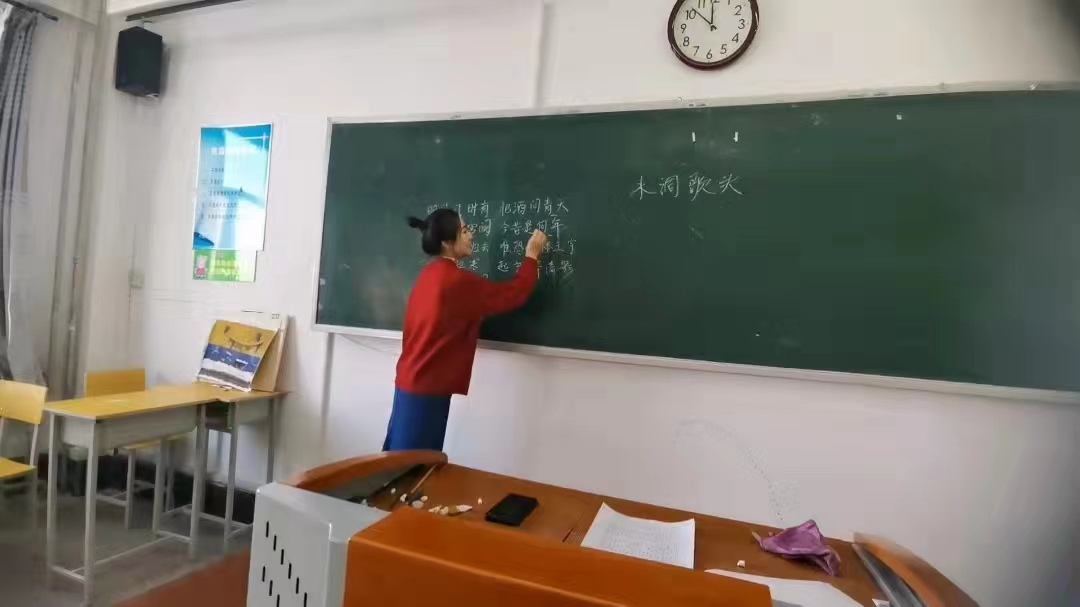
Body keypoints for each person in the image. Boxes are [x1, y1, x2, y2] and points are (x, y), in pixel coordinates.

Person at [384, 208, 548, 451]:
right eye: (464, 231)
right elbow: (513, 293)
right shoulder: (456, 281)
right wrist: (531, 255)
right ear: (446, 242)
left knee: (398, 457)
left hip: (410, 382)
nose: (471, 235)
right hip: (428, 389)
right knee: (414, 463)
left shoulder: (428, 275)